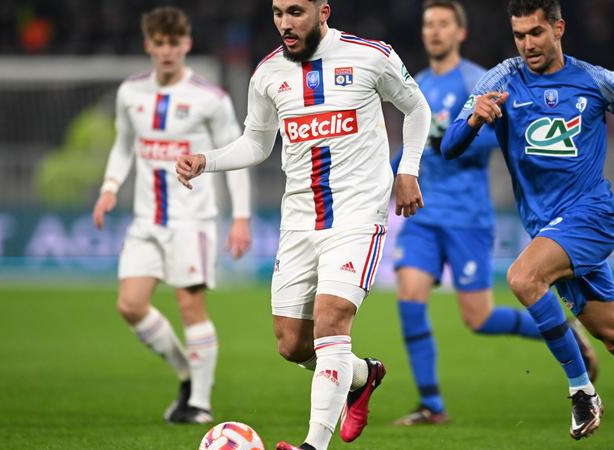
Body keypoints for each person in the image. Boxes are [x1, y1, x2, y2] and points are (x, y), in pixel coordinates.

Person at [441, 1, 614, 448]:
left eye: (536, 32)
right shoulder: (499, 80)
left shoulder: (597, 81)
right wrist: (476, 117)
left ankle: (582, 391)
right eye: (519, 35)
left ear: (559, 28)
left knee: (522, 277)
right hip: (548, 228)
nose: (527, 44)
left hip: (591, 216)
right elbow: (451, 147)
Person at [176, 1, 430, 449]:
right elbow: (256, 143)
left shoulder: (370, 55)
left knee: (333, 320)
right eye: (277, 13)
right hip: (299, 220)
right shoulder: (268, 74)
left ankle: (313, 444)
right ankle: (362, 375)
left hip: (357, 215)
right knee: (293, 344)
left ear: (323, 11)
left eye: (295, 11)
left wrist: (408, 169)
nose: (284, 23)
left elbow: (417, 109)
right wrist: (206, 161)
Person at [390, 0, 597, 426]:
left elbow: (502, 139)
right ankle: (432, 405)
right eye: (428, 24)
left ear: (459, 32)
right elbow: (410, 147)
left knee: (478, 318)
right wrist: (388, 170)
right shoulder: (418, 85)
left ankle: (564, 332)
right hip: (423, 215)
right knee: (409, 296)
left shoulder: (477, 81)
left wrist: (448, 135)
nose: (434, 31)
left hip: (467, 216)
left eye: (443, 24)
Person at [92, 7, 252, 424]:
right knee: (130, 304)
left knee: (189, 307)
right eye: (159, 44)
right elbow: (124, 145)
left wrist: (241, 217)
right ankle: (187, 373)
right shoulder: (130, 93)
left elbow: (235, 155)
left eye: (173, 43)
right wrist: (109, 189)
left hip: (192, 219)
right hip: (146, 220)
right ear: (148, 45)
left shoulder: (210, 98)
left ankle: (199, 403)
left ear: (186, 44)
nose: (166, 51)